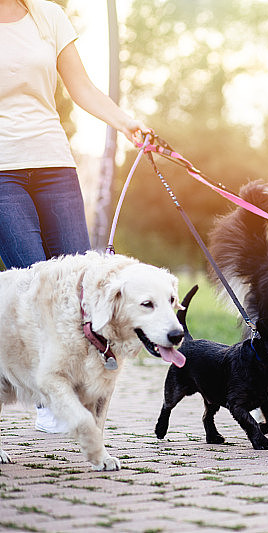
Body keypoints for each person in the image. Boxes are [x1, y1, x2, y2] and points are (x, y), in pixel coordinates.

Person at [1, 0, 151, 432]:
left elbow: (81, 86)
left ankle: (81, 386)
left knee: (83, 284)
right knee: (34, 285)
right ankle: (50, 394)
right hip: (2, 172)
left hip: (54, 164)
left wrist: (126, 123)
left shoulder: (47, 15)